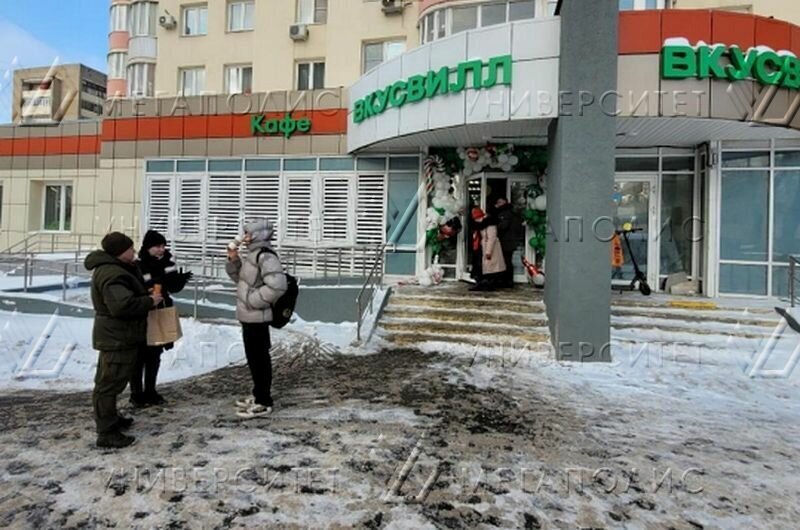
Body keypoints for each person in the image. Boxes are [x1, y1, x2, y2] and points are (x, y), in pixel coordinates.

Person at [85, 232, 163, 448]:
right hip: (117, 336)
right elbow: (121, 306)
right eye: (130, 249)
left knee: (113, 380)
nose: (134, 251)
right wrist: (149, 301)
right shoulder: (112, 274)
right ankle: (107, 432)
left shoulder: (118, 269)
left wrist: (142, 293)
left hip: (119, 335)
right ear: (120, 252)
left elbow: (125, 296)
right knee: (108, 384)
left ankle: (112, 419)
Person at [226, 219, 288, 419]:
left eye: (247, 233)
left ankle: (264, 400)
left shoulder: (265, 256)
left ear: (258, 235)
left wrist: (253, 300)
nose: (243, 237)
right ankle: (258, 394)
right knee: (254, 359)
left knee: (260, 359)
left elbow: (278, 286)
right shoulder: (252, 255)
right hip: (248, 316)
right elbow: (243, 281)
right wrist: (233, 260)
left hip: (258, 317)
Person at [130, 230, 192, 408]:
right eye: (157, 246)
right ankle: (136, 393)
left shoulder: (168, 262)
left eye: (163, 246)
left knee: (155, 354)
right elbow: (144, 283)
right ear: (148, 247)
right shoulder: (139, 264)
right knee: (139, 355)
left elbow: (172, 285)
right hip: (144, 312)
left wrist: (179, 280)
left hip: (161, 310)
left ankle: (151, 390)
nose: (161, 249)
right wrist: (156, 282)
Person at [469, 208, 507, 292]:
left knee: (490, 268)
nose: (476, 220)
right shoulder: (479, 224)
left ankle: (488, 285)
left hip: (488, 247)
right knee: (482, 267)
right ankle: (482, 284)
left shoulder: (489, 223)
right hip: (481, 247)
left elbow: (492, 238)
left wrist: (488, 251)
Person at [493, 197, 519, 288]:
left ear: (504, 202)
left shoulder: (505, 213)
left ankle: (507, 281)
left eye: (499, 202)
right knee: (507, 261)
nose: (498, 204)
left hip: (507, 241)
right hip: (509, 241)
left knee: (506, 261)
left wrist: (494, 226)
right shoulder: (510, 212)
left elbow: (503, 226)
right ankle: (507, 281)